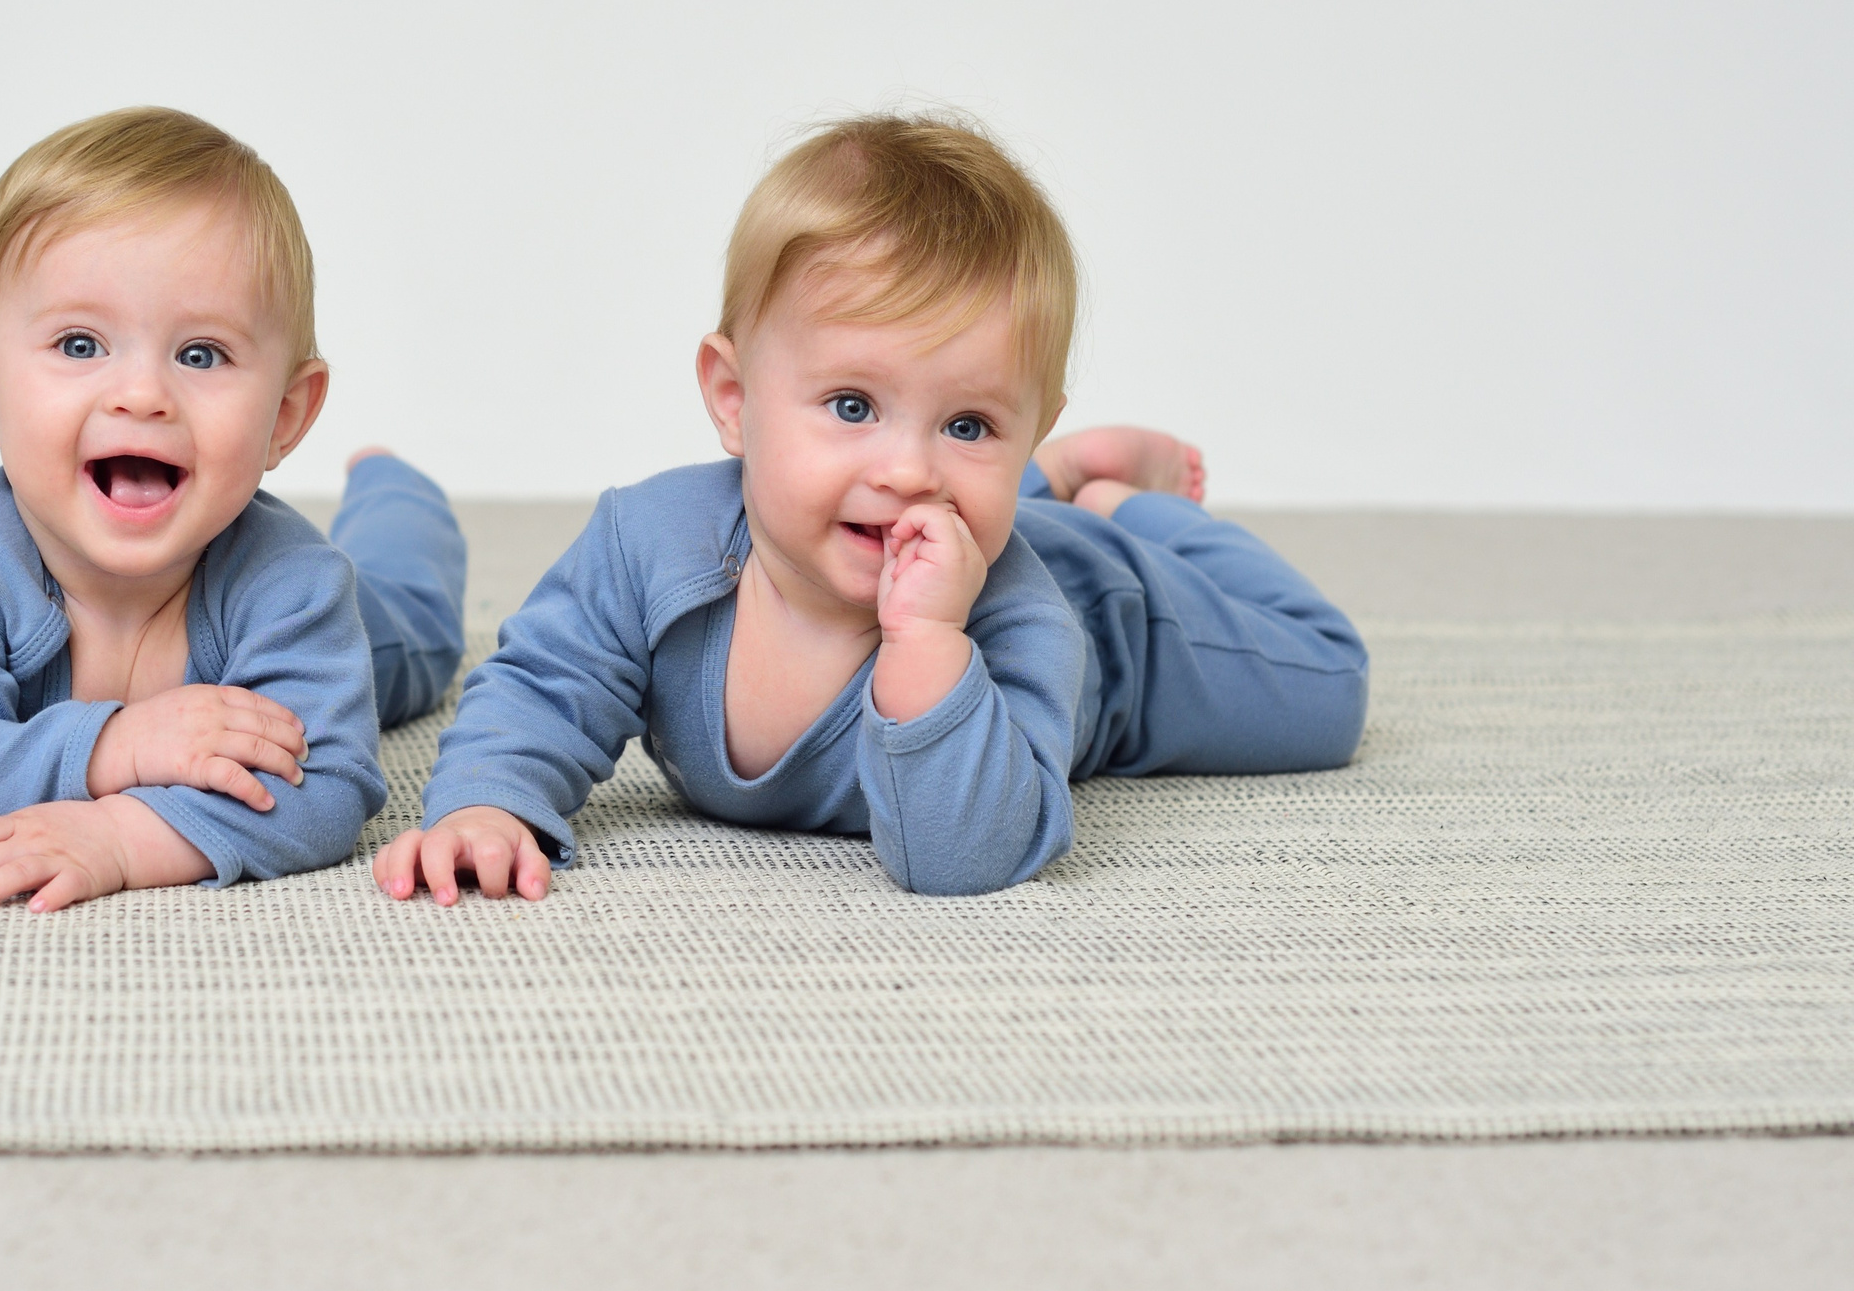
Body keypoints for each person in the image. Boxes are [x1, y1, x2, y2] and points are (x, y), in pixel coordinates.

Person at [374, 112, 1366, 904]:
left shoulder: (1017, 613)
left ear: (1022, 423)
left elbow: (969, 853)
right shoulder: (651, 543)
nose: (907, 472)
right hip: (1001, 529)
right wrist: (489, 804)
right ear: (734, 398)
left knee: (1330, 690)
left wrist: (928, 638)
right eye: (851, 406)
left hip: (1120, 603)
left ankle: (1130, 509)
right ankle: (1058, 479)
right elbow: (540, 684)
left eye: (971, 424)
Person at [0, 107, 465, 910]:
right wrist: (113, 747)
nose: (142, 395)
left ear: (284, 413)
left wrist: (120, 837)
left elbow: (325, 787)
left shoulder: (298, 585)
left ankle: (395, 491)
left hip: (356, 628)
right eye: (80, 345)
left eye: (200, 354)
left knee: (410, 625)